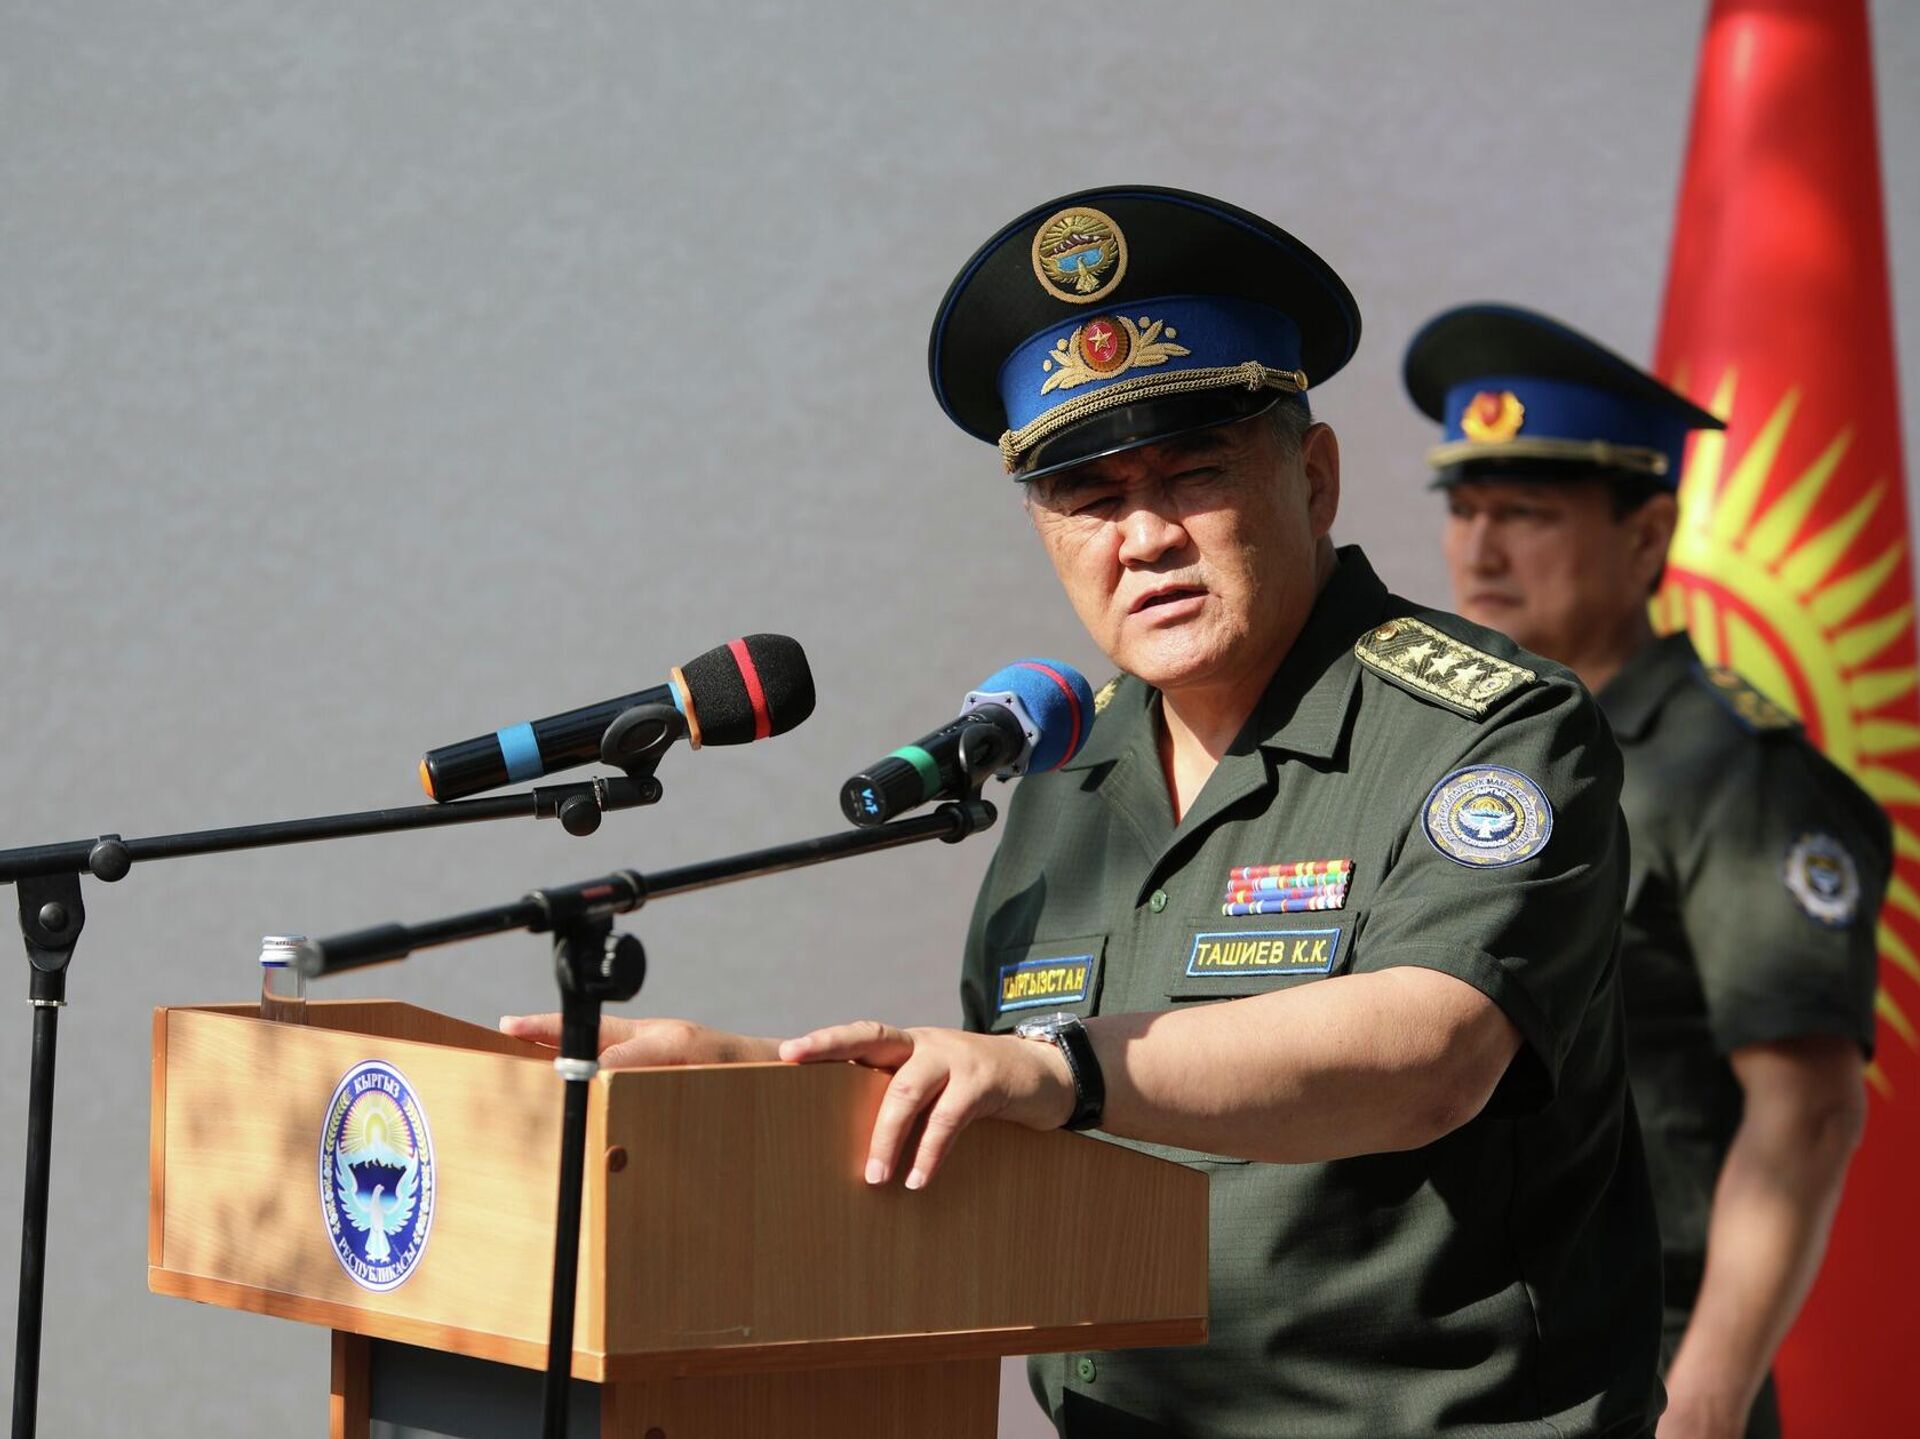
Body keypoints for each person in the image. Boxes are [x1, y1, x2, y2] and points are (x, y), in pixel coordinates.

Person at [506, 190, 1665, 1438]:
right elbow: (1009, 1117)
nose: (1144, 538)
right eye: (1089, 497)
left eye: (1193, 473)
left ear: (1315, 477)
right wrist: (751, 1091)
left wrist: (1062, 1067)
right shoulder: (1065, 769)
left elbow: (1435, 1055)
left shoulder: (1487, 728)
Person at [1403, 303, 1889, 1439]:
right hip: (1453, 1365)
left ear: (1646, 533)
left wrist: (1703, 1400)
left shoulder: (1735, 773)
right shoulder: (1452, 755)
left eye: (1526, 513)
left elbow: (1809, 1109)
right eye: (1466, 509)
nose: (1481, 549)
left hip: (1637, 1369)